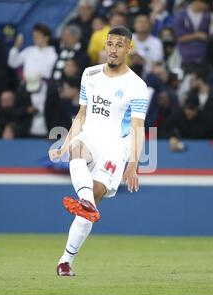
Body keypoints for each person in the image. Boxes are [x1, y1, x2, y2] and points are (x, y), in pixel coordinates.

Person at [48, 26, 148, 276]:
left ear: (128, 48)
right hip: (90, 136)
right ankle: (86, 202)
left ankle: (65, 261)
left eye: (119, 45)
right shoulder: (89, 74)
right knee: (77, 149)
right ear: (105, 46)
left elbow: (137, 127)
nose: (113, 49)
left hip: (116, 146)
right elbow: (81, 114)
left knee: (94, 196)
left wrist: (133, 164)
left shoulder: (137, 86)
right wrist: (64, 144)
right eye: (110, 44)